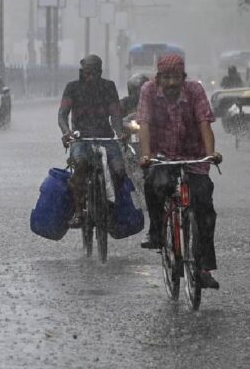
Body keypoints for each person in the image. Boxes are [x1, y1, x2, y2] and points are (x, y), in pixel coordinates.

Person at [137, 54, 223, 289]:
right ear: (158, 77)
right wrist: (146, 156)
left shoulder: (195, 91)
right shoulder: (148, 91)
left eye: (176, 77)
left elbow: (204, 123)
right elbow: (143, 123)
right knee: (154, 184)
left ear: (183, 77)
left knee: (204, 205)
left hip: (193, 156)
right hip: (162, 155)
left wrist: (211, 153)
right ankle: (156, 231)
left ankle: (204, 267)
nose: (172, 83)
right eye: (167, 78)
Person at [58, 54, 126, 228]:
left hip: (106, 137)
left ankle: (113, 208)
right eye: (85, 73)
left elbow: (116, 114)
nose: (88, 77)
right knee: (80, 166)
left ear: (100, 72)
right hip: (81, 139)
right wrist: (67, 132)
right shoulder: (72, 87)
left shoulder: (108, 87)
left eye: (92, 73)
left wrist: (119, 132)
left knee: (119, 171)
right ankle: (79, 211)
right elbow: (62, 115)